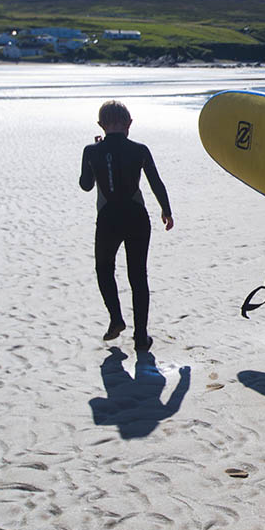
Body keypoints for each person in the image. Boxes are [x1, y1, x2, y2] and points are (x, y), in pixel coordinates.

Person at [79, 100, 173, 352]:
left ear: (101, 124)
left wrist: (94, 161)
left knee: (104, 269)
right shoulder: (140, 150)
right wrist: (166, 210)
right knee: (138, 275)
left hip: (108, 219)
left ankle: (116, 318)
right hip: (137, 218)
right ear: (128, 123)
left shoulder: (91, 151)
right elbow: (156, 182)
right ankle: (141, 337)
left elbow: (86, 185)